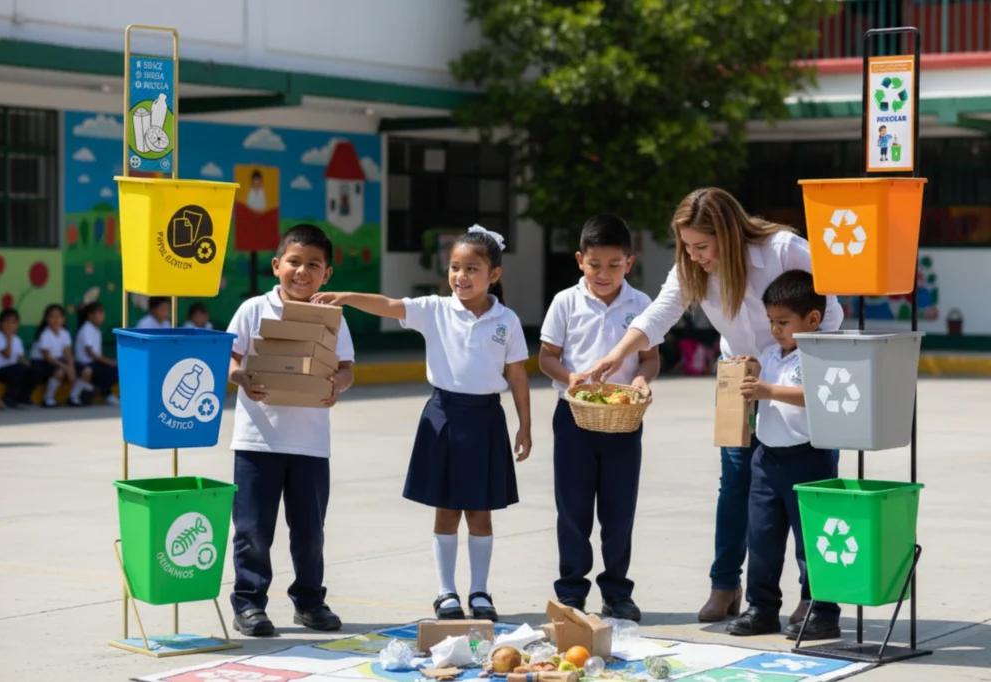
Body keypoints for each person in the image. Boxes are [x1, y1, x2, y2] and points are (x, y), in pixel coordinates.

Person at [586, 188, 843, 624]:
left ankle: (814, 595)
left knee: (808, 490)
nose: (696, 256)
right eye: (687, 247)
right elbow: (660, 314)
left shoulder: (783, 250)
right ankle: (727, 584)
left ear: (727, 233)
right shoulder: (692, 267)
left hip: (798, 373)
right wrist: (617, 354)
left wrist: (802, 365)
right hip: (738, 374)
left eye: (702, 246)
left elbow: (830, 305)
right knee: (738, 482)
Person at [313, 225, 532, 622]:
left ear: (493, 275)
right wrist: (345, 297)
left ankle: (479, 591)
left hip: (486, 419)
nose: (460, 277)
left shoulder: (507, 321)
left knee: (480, 512)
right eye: (454, 267)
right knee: (446, 510)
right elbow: (389, 304)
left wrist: (525, 426)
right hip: (443, 416)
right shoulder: (435, 309)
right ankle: (446, 592)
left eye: (471, 269)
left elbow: (517, 376)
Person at [226, 224, 355, 637]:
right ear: (276, 265)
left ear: (327, 273)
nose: (303, 271)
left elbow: (347, 368)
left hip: (311, 445)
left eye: (313, 265)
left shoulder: (332, 318)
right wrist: (242, 378)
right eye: (294, 262)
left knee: (309, 534)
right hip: (256, 442)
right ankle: (248, 604)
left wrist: (338, 384)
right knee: (252, 531)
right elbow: (229, 359)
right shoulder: (253, 309)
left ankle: (310, 603)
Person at [538, 214, 659, 621]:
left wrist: (641, 379)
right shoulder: (565, 302)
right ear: (579, 261)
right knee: (572, 509)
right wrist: (570, 378)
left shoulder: (642, 305)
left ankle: (617, 591)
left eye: (613, 265)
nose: (603, 274)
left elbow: (651, 357)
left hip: (624, 420)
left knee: (619, 510)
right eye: (594, 265)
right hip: (573, 417)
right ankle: (571, 591)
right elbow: (546, 358)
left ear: (630, 262)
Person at [728, 269, 840, 641]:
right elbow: (764, 388)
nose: (775, 330)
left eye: (783, 322)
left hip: (808, 459)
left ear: (812, 319)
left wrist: (769, 389)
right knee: (761, 537)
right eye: (771, 322)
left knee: (812, 542)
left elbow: (815, 396)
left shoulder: (820, 353)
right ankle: (762, 607)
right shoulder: (771, 353)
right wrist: (753, 373)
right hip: (767, 459)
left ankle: (821, 609)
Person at [30, 304, 91, 407]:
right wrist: (66, 368)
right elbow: (48, 357)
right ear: (46, 319)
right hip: (42, 363)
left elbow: (67, 352)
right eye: (52, 316)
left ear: (63, 319)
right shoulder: (44, 335)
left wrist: (71, 367)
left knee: (87, 371)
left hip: (59, 360)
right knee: (60, 372)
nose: (56, 320)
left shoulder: (64, 333)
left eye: (59, 316)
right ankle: (48, 398)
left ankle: (73, 397)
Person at [0, 308, 38, 409]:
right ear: (0, 324)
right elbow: (7, 354)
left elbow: (21, 357)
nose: (10, 325)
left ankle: (23, 399)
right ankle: (7, 399)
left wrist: (29, 366)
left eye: (13, 322)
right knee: (18, 369)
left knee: (34, 371)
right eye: (6, 322)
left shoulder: (18, 340)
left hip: (14, 370)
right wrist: (9, 338)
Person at [75, 301, 120, 406]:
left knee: (115, 368)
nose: (101, 317)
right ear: (90, 316)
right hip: (85, 363)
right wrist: (109, 361)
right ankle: (105, 393)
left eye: (102, 314)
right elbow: (90, 352)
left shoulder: (96, 330)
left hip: (94, 363)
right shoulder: (87, 328)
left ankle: (105, 392)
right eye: (98, 314)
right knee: (113, 368)